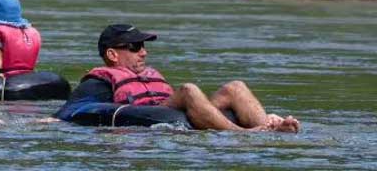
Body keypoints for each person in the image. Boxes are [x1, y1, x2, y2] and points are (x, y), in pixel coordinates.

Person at [58, 23, 301, 132]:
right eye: (134, 47)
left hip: (168, 110)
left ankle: (269, 128)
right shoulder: (98, 83)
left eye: (142, 45)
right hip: (151, 112)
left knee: (235, 86)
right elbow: (72, 110)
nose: (143, 51)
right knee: (188, 89)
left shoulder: (147, 74)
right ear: (112, 54)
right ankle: (245, 135)